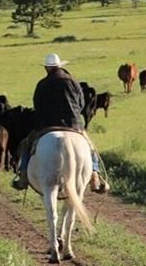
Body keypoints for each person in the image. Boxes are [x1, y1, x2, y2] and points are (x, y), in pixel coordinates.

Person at [12, 53, 100, 190]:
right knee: (90, 147)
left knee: (26, 145)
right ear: (60, 66)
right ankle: (95, 175)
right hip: (73, 125)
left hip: (48, 125)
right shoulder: (73, 82)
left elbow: (37, 106)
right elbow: (81, 104)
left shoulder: (42, 84)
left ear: (47, 68)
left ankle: (23, 177)